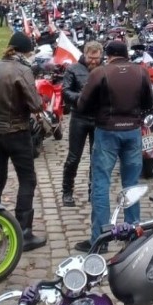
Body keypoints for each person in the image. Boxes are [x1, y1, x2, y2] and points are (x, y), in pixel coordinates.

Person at [75, 39, 153, 249]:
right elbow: (149, 103)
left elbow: (82, 104)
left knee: (101, 183)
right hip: (132, 131)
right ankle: (133, 234)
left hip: (107, 131)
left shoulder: (100, 73)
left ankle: (100, 240)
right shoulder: (141, 72)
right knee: (131, 183)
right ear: (126, 54)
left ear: (108, 55)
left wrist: (99, 111)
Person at [0, 31, 47, 251]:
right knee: (27, 179)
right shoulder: (23, 70)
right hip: (17, 131)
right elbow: (35, 104)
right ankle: (24, 232)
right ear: (24, 51)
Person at [61, 40, 103, 207]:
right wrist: (81, 98)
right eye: (90, 58)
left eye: (96, 58)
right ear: (85, 55)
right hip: (79, 117)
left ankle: (93, 191)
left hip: (98, 118)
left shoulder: (104, 69)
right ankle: (67, 191)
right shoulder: (73, 69)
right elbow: (65, 91)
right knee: (73, 157)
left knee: (96, 158)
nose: (93, 61)